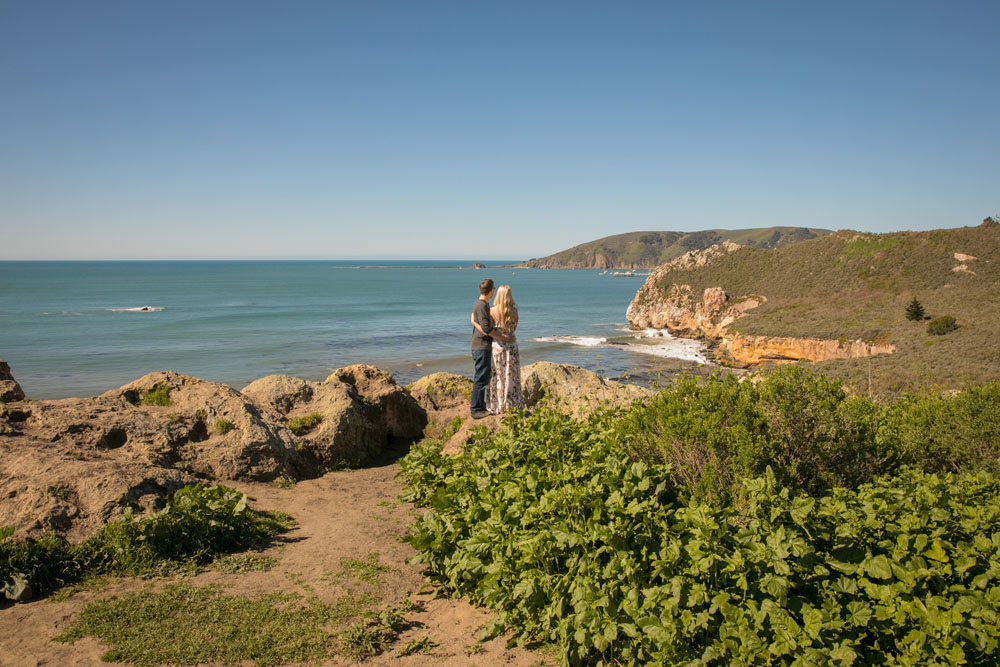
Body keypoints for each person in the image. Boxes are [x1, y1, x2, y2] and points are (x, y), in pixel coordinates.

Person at [483, 284, 524, 414]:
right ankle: (511, 405)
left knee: (497, 375)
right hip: (512, 346)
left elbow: (489, 330)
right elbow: (514, 328)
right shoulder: (515, 311)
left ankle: (497, 405)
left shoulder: (492, 311)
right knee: (511, 375)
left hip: (498, 346)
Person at [469, 278, 497, 419]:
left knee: (481, 377)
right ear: (491, 291)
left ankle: (479, 405)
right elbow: (486, 329)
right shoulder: (483, 306)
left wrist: (473, 322)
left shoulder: (478, 303)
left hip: (478, 345)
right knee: (481, 378)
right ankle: (476, 409)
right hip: (482, 346)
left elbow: (475, 320)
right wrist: (502, 336)